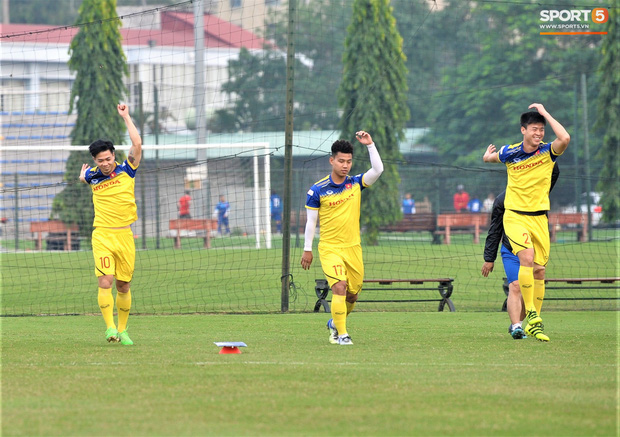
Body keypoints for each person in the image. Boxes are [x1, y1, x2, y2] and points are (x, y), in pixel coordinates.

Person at [483, 103, 570, 342]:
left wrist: (546, 113)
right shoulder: (510, 152)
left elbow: (564, 137)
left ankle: (535, 323)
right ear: (523, 130)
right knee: (527, 258)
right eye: (534, 128)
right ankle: (528, 313)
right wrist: (486, 156)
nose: (539, 133)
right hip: (515, 216)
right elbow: (492, 158)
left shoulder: (548, 151)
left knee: (540, 270)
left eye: (541, 129)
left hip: (540, 218)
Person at [300, 131, 383, 346]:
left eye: (348, 161)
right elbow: (311, 222)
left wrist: (370, 145)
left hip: (353, 248)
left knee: (352, 296)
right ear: (332, 160)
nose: (345, 165)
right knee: (339, 287)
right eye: (341, 161)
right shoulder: (317, 190)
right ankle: (343, 335)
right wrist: (307, 249)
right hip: (330, 248)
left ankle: (335, 323)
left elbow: (378, 170)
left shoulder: (355, 184)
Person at [78, 103, 142, 345]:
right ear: (94, 160)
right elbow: (86, 178)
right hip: (102, 235)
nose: (104, 163)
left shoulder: (128, 169)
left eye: (107, 158)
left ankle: (124, 330)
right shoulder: (93, 175)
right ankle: (110, 329)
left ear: (114, 155)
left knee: (123, 285)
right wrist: (83, 178)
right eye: (99, 160)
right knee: (105, 280)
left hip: (125, 236)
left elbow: (136, 145)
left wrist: (125, 117)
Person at [482, 163, 560, 340]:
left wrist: (545, 154)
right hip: (511, 251)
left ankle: (521, 322)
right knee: (515, 286)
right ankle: (517, 327)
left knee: (529, 292)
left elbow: (553, 173)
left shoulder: (539, 194)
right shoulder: (502, 201)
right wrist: (489, 258)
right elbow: (495, 230)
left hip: (534, 250)